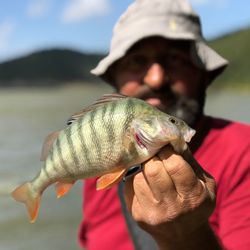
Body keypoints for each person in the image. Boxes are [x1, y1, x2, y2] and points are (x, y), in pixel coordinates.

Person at [78, 0, 250, 249]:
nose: (156, 78)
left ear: (203, 74)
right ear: (115, 78)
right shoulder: (98, 158)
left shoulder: (244, 152)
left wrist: (186, 236)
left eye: (175, 59)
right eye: (136, 62)